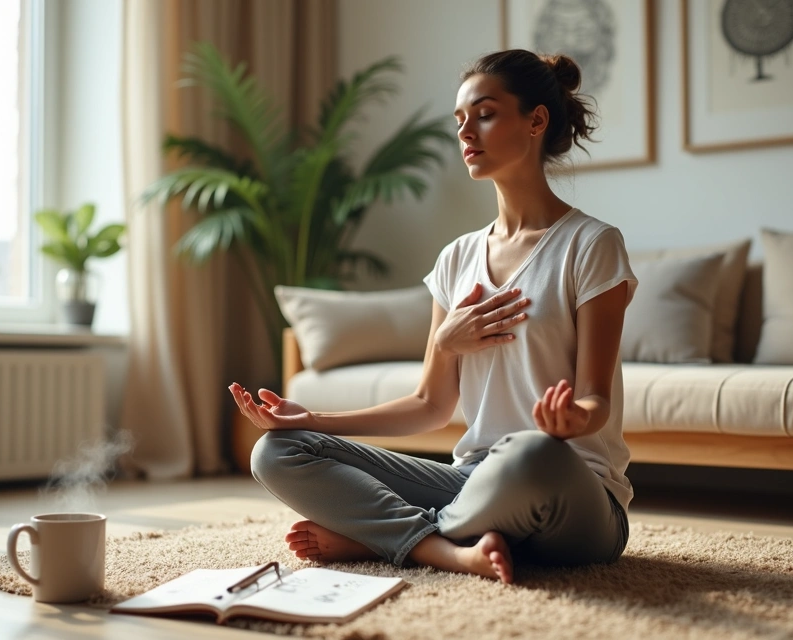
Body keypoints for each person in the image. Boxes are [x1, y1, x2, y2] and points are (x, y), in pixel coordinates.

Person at [229, 49, 637, 585]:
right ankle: (446, 550)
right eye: (460, 119)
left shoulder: (591, 244)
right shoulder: (456, 258)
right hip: (472, 484)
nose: (465, 132)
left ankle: (383, 536)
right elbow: (429, 405)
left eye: (485, 114)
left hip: (569, 488)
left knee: (530, 452)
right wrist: (310, 419)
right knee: (277, 452)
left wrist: (572, 422)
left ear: (536, 120)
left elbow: (595, 400)